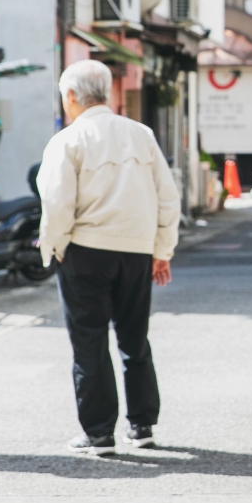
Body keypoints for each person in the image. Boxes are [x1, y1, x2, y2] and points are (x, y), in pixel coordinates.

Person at [37, 60, 180, 455]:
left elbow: (56, 203)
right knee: (135, 338)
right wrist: (162, 250)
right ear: (108, 93)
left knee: (90, 342)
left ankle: (99, 433)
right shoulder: (142, 135)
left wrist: (54, 247)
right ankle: (143, 425)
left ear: (70, 97)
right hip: (137, 252)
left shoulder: (68, 140)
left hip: (85, 251)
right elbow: (167, 196)